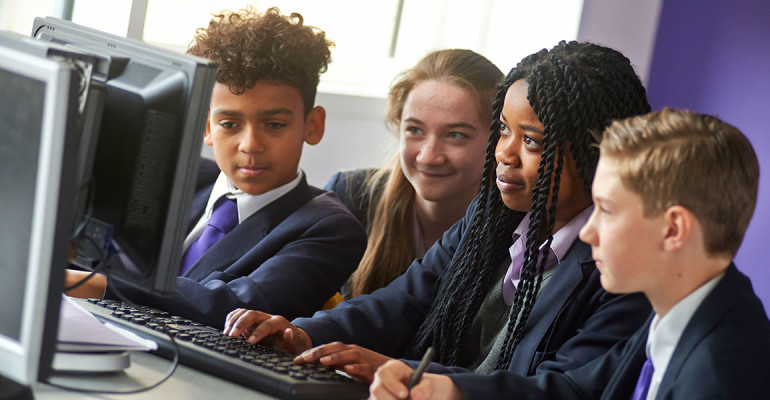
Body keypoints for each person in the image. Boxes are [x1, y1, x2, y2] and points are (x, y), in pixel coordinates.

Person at [223, 40, 653, 384]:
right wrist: (304, 334)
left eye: (533, 141)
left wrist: (422, 380)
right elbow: (402, 300)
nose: (504, 153)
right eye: (503, 130)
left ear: (598, 151)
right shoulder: (490, 218)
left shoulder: (625, 270)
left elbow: (566, 388)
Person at [370, 108, 770, 400]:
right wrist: (447, 389)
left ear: (673, 229)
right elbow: (576, 388)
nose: (590, 231)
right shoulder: (685, 313)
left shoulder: (719, 376)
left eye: (607, 211)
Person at [63, 6, 367, 329]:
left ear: (313, 125)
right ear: (207, 127)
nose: (250, 144)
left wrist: (93, 283)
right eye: (230, 123)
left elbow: (234, 304)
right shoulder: (183, 177)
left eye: (275, 124)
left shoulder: (330, 228)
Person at [325, 49, 503, 298]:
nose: (428, 157)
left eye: (455, 135)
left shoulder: (514, 234)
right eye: (415, 130)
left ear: (498, 141)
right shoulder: (351, 197)